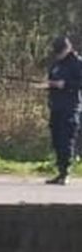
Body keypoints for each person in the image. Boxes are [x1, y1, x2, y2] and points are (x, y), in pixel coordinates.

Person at [43, 36, 82, 185]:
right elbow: (53, 79)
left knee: (66, 140)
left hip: (70, 108)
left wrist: (65, 84)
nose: (57, 54)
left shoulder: (77, 63)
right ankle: (59, 171)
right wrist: (49, 85)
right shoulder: (57, 64)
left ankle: (66, 173)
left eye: (60, 52)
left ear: (67, 48)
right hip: (56, 107)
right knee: (57, 140)